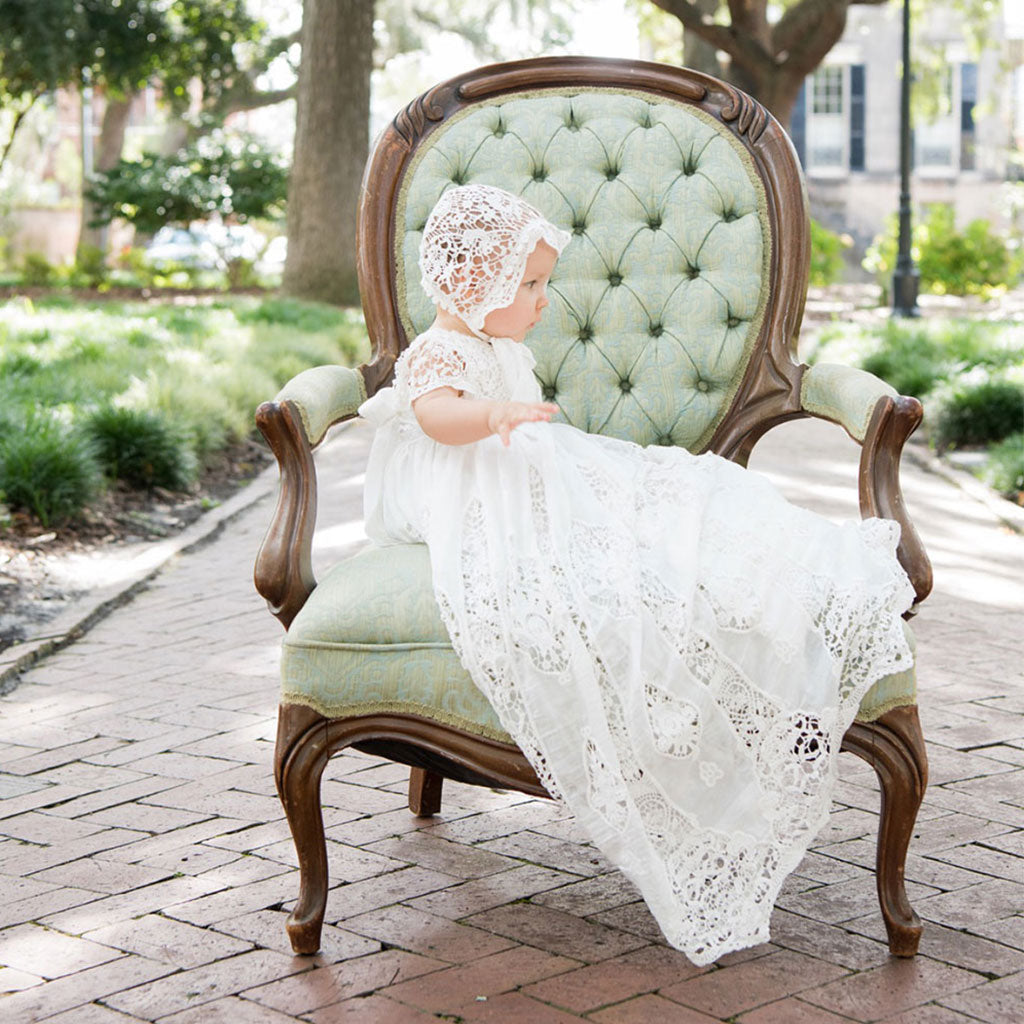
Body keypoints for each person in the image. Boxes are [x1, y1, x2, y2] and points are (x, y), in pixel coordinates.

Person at [358, 183, 914, 965]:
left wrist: (513, 422)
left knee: (672, 500)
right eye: (530, 285)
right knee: (581, 559)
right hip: (469, 488)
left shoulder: (499, 342)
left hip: (522, 467)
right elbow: (434, 416)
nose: (545, 301)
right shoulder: (442, 351)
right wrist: (490, 417)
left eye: (544, 282)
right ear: (474, 283)